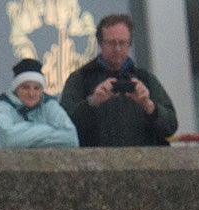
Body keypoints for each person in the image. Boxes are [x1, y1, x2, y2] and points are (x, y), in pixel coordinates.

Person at [60, 13, 178, 146]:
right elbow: (63, 128)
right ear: (100, 43)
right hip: (94, 164)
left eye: (122, 43)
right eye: (111, 43)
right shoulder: (81, 79)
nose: (117, 48)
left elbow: (171, 127)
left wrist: (148, 106)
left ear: (130, 44)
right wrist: (92, 103)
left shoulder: (145, 79)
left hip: (142, 164)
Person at [0, 57, 78, 147]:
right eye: (25, 87)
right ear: (16, 89)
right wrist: (47, 129)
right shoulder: (2, 107)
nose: (31, 93)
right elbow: (10, 139)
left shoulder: (49, 105)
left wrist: (25, 137)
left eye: (36, 88)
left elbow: (71, 138)